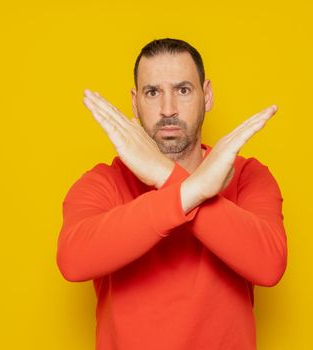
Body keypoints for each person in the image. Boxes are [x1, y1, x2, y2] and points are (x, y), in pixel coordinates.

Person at [56, 38, 287, 350]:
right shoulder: (103, 182)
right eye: (153, 92)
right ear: (135, 102)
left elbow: (268, 265)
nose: (168, 109)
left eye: (183, 90)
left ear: (206, 96)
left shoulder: (248, 176)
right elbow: (73, 261)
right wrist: (192, 190)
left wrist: (165, 177)